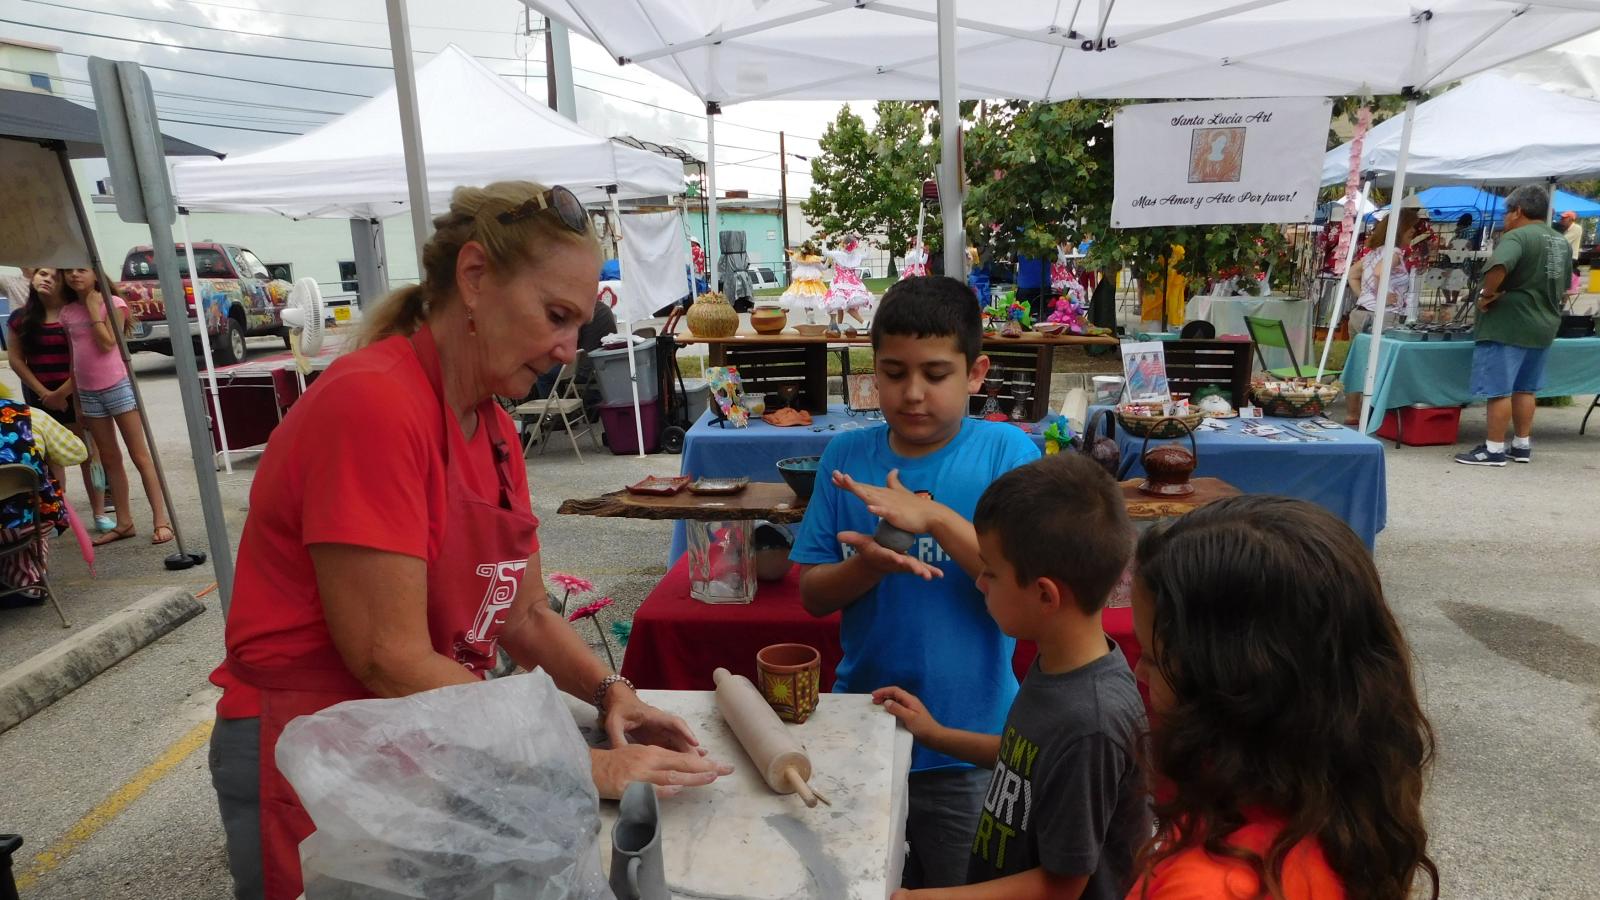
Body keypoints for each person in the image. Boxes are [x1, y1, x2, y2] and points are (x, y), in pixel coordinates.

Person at [207, 182, 731, 900]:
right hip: (314, 752)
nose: (567, 349)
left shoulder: (492, 430)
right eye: (555, 316)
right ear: (476, 277)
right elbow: (385, 657)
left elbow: (525, 613)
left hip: (414, 740)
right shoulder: (375, 405)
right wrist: (572, 764)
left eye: (577, 325)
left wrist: (613, 692)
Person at [790, 275, 1041, 889]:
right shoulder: (846, 457)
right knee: (858, 881)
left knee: (965, 884)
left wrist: (933, 516)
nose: (912, 393)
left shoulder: (1005, 453)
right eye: (893, 372)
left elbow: (1029, 587)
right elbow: (812, 595)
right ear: (871, 372)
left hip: (972, 740)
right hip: (866, 723)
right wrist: (867, 566)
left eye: (935, 373)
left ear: (975, 373)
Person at [1127, 496, 1438, 900]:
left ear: (1232, 687)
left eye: (1152, 659)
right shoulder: (1340, 809)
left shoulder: (1209, 884)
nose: (1139, 673)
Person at [874, 453, 1149, 900]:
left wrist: (925, 898)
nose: (979, 582)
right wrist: (936, 734)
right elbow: (1028, 759)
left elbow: (1061, 885)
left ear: (1044, 594)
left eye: (992, 572)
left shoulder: (1090, 724)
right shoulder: (1061, 667)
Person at [1455, 185, 1572, 467]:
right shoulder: (1560, 241)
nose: (1505, 217)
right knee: (1526, 389)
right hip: (1543, 323)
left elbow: (1498, 267)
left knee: (1499, 390)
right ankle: (1521, 445)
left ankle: (1493, 449)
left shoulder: (1516, 236)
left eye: (1507, 211)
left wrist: (1486, 296)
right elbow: (1566, 285)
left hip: (1509, 324)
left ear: (1518, 211)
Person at [57, 267, 172, 545]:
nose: (74, 275)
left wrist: (95, 309)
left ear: (95, 274)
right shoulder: (67, 312)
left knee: (139, 455)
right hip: (88, 392)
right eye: (69, 271)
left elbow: (109, 344)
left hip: (117, 386)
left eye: (81, 270)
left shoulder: (114, 304)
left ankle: (161, 521)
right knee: (109, 459)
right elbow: (73, 358)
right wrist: (78, 401)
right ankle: (124, 522)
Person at [7, 269, 109, 529]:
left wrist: (63, 393)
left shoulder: (73, 314)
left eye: (53, 276)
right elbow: (16, 359)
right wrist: (44, 393)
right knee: (49, 458)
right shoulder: (21, 318)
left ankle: (99, 513)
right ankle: (57, 515)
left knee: (87, 453)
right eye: (42, 274)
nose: (46, 279)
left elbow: (85, 356)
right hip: (39, 396)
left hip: (75, 394)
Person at [0, 398, 86, 596]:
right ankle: (30, 582)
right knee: (35, 502)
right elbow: (77, 452)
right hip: (28, 523)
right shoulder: (28, 414)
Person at [1343, 208, 1419, 425]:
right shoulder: (1394, 253)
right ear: (1401, 229)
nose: (1414, 231)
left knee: (1357, 362)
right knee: (1379, 364)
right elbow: (1379, 272)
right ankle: (1374, 414)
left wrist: (1364, 297)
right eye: (1411, 227)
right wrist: (1382, 295)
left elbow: (1352, 275)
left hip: (1360, 313)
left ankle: (1352, 412)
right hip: (1382, 317)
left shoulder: (1373, 252)